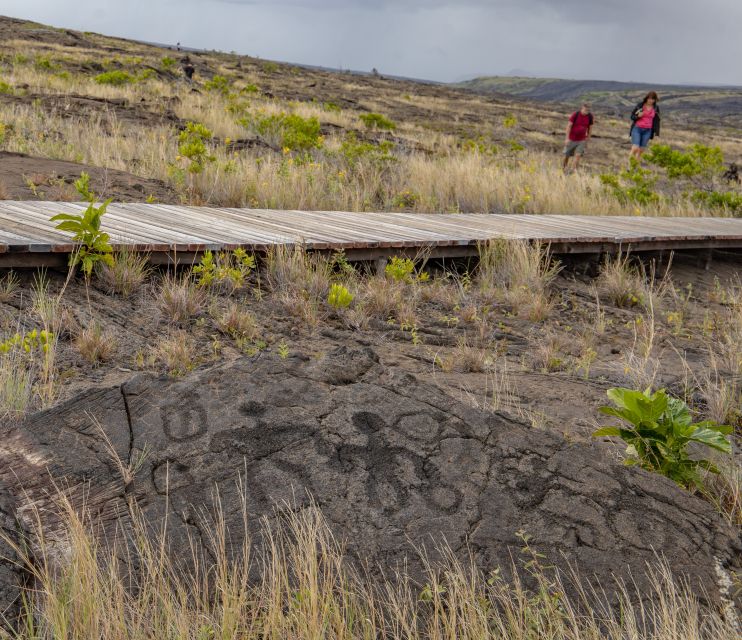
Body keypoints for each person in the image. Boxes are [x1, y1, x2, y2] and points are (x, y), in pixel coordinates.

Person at [629, 91, 660, 162]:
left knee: (641, 151)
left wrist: (657, 133)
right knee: (635, 148)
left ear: (655, 100)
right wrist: (638, 116)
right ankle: (629, 165)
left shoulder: (656, 108)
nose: (651, 100)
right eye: (649, 98)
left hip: (648, 131)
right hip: (637, 129)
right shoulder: (640, 105)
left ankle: (635, 167)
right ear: (646, 98)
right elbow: (632, 116)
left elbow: (657, 121)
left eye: (653, 99)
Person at [562, 103, 593, 172]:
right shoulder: (575, 115)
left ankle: (572, 171)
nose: (586, 112)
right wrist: (567, 138)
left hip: (582, 140)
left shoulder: (590, 116)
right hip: (571, 139)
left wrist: (588, 139)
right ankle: (563, 168)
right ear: (582, 108)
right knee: (566, 155)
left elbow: (590, 128)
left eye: (588, 110)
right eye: (585, 110)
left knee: (578, 155)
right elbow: (569, 126)